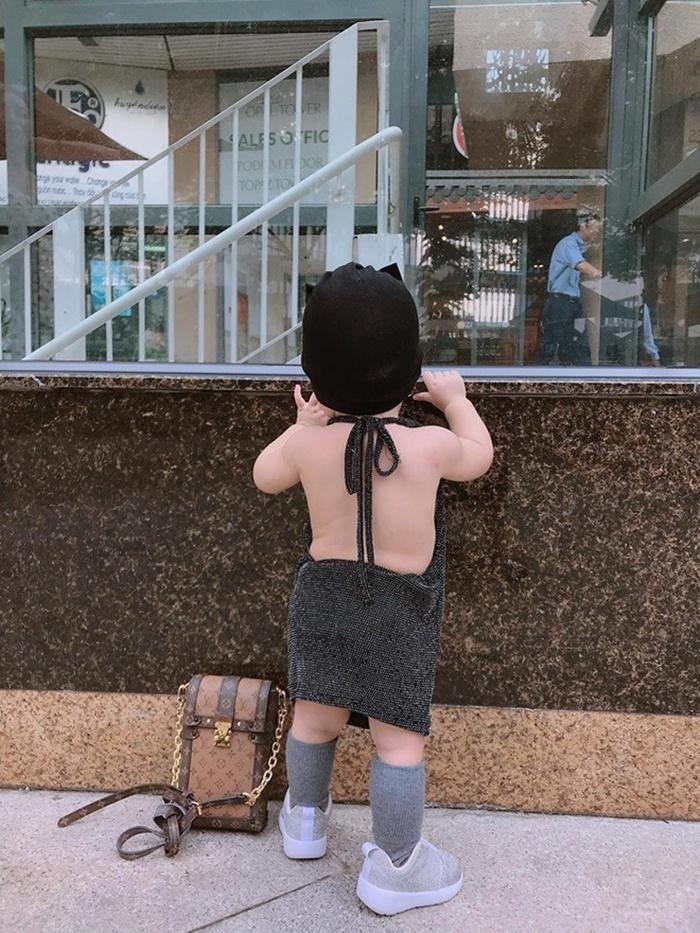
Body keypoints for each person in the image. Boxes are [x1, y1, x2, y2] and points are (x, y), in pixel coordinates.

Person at [252, 261, 494, 916]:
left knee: (315, 716)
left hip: (321, 601)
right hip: (398, 610)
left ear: (317, 374)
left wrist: (305, 425)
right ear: (407, 368)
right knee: (397, 741)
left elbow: (263, 475)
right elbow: (480, 456)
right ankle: (397, 866)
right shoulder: (429, 445)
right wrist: (455, 402)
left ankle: (304, 820)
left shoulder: (309, 446)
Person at [535, 209, 602, 364]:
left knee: (579, 346)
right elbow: (582, 265)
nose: (596, 231)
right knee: (551, 346)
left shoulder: (577, 246)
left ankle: (583, 375)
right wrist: (601, 275)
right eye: (594, 227)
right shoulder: (568, 244)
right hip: (560, 302)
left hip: (571, 302)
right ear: (583, 226)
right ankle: (538, 374)